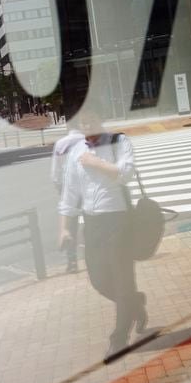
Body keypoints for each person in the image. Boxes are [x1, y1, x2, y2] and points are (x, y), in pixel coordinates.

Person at [57, 110, 147, 360]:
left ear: (100, 121)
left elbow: (126, 173)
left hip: (118, 219)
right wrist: (64, 227)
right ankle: (135, 303)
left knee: (122, 279)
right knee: (98, 278)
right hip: (93, 223)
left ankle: (118, 339)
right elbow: (69, 193)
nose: (88, 125)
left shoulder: (119, 142)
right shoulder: (76, 152)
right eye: (83, 123)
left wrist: (97, 163)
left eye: (91, 120)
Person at [51, 125, 85, 272]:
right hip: (87, 185)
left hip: (68, 188)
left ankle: (72, 262)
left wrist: (59, 186)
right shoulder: (86, 140)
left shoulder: (61, 144)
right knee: (92, 219)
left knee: (70, 224)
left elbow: (55, 172)